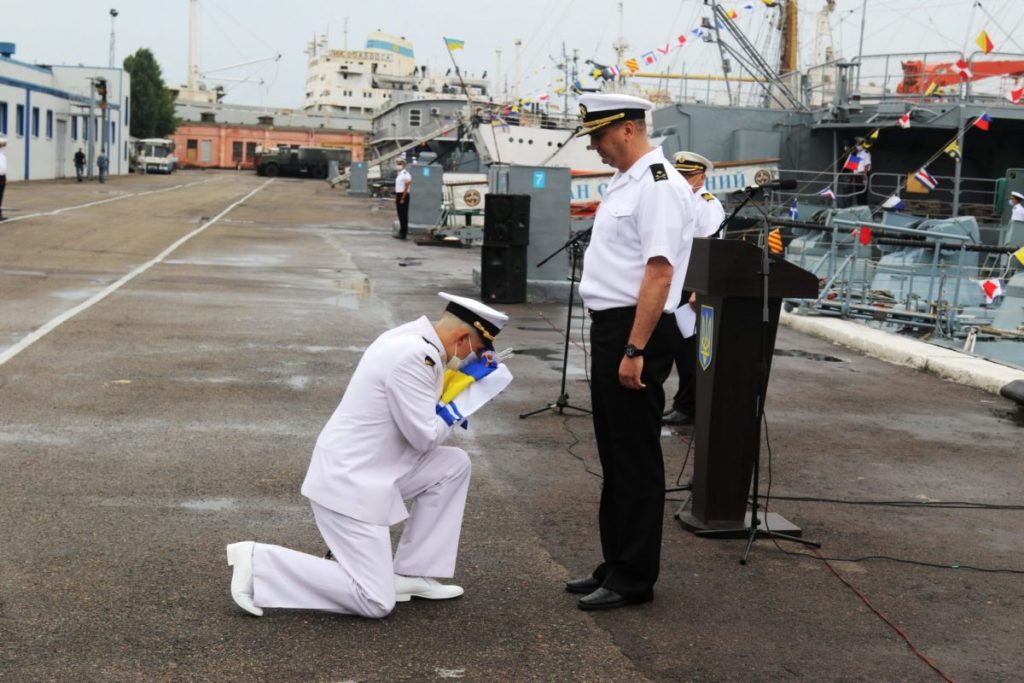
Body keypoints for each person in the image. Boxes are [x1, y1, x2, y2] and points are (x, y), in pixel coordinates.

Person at [225, 292, 510, 619]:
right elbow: (425, 437)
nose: (474, 357)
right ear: (461, 337)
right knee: (375, 601)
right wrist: (467, 398)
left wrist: (453, 387)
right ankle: (258, 562)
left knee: (453, 465)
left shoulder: (409, 338)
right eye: (478, 349)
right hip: (350, 484)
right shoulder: (416, 357)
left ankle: (411, 573)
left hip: (371, 469)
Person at [567, 93, 696, 611]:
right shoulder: (627, 181)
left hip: (634, 329)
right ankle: (614, 563)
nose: (595, 147)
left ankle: (633, 578)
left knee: (635, 456)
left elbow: (660, 272)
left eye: (598, 136)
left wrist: (634, 347)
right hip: (613, 326)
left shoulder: (659, 186)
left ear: (625, 128)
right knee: (614, 452)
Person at [663, 151, 725, 427]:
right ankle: (682, 402)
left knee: (691, 350)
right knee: (679, 348)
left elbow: (710, 249)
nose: (683, 180)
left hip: (693, 284)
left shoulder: (708, 205)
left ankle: (689, 408)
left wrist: (699, 290)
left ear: (701, 176)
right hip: (679, 281)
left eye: (688, 176)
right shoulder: (681, 202)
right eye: (680, 175)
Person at [394, 159, 412, 239]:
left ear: (404, 165)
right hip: (399, 194)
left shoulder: (405, 174)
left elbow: (407, 185)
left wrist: (403, 197)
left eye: (399, 164)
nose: (398, 165)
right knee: (400, 215)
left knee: (403, 215)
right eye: (397, 164)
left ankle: (403, 233)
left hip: (403, 195)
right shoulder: (400, 174)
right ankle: (401, 232)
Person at [0, 137, 6, 221]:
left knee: (0, 196)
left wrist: (5, 177)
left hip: (2, 177)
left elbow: (3, 167)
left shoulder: (2, 155)